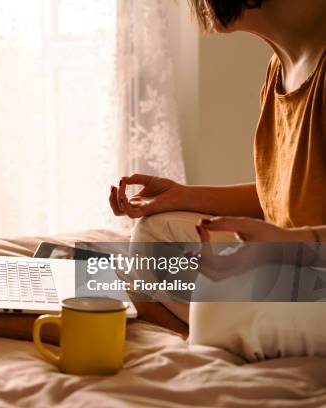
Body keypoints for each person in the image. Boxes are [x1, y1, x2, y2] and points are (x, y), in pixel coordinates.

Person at [109, 0, 325, 360]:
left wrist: (290, 244)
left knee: (216, 303)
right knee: (154, 232)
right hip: (298, 259)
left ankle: (202, 324)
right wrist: (181, 197)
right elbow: (286, 195)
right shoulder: (281, 67)